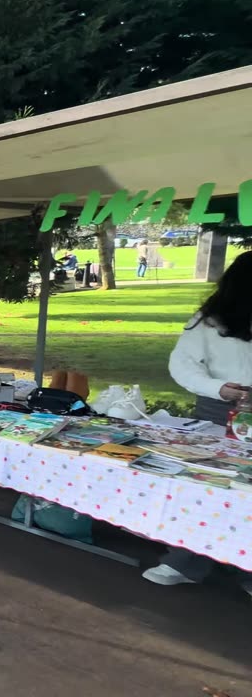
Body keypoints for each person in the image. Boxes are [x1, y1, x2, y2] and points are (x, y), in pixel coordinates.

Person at [150, 251, 252, 596]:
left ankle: (246, 569)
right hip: (217, 411)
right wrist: (219, 389)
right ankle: (185, 562)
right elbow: (182, 365)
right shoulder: (208, 322)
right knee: (206, 484)